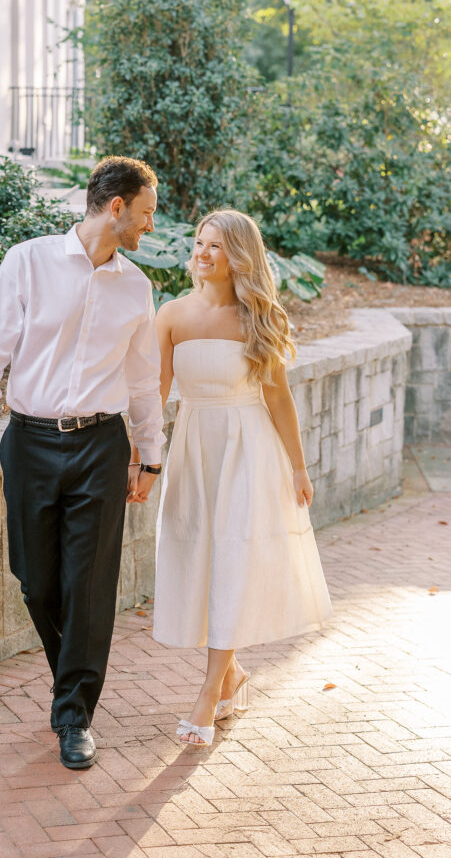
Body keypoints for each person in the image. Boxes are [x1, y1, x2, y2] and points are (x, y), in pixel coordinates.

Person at [0, 156, 165, 769]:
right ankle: (69, 681)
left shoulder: (136, 286)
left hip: (101, 446)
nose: (150, 227)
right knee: (37, 578)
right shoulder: (28, 261)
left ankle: (74, 713)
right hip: (29, 441)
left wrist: (148, 456)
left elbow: (143, 380)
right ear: (116, 207)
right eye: (147, 213)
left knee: (90, 583)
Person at [149, 209, 332, 746]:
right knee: (200, 560)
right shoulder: (172, 315)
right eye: (201, 244)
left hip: (249, 452)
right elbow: (155, 396)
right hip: (194, 449)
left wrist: (298, 467)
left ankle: (207, 698)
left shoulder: (260, 318)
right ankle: (232, 676)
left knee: (231, 561)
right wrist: (143, 460)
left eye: (217, 247)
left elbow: (278, 397)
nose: (203, 254)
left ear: (239, 257)